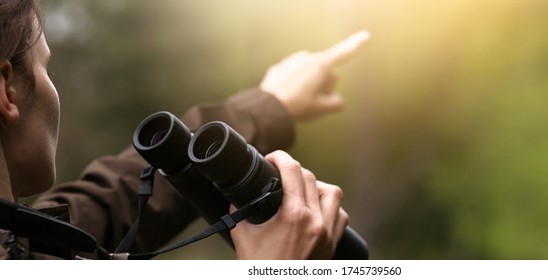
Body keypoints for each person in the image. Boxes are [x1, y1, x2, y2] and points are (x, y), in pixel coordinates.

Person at [0, 0, 369, 259]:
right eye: (47, 69)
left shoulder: (26, 242)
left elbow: (117, 200)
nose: (53, 86)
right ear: (8, 90)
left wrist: (271, 103)